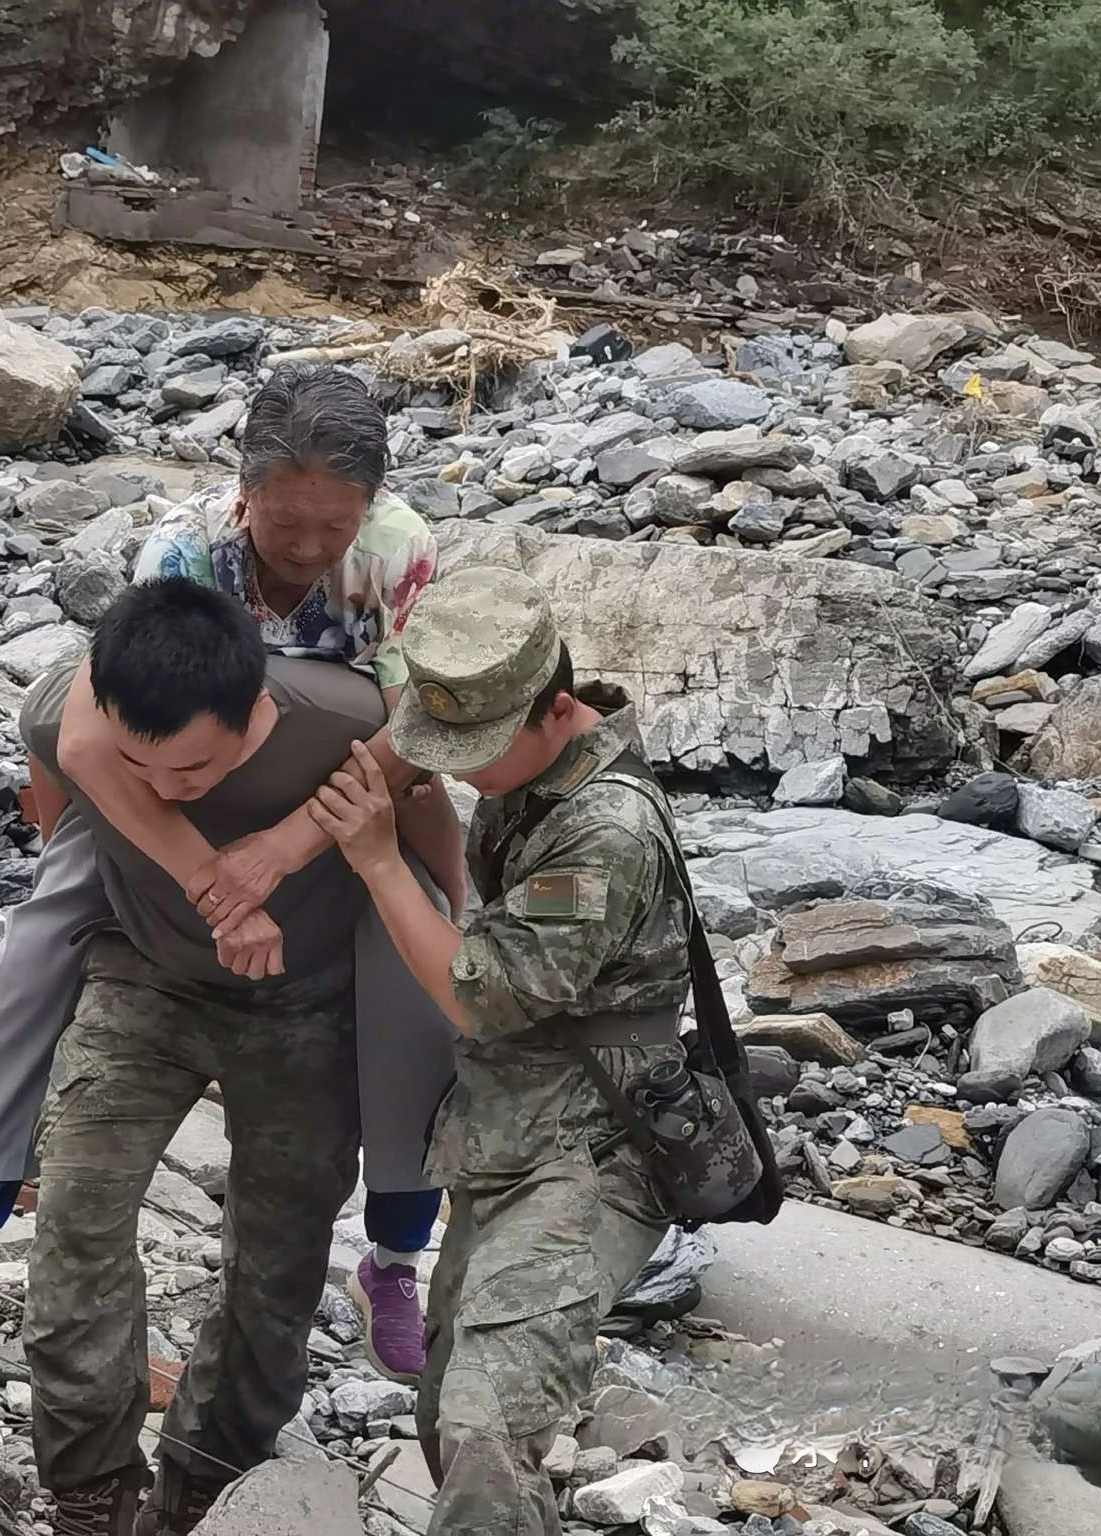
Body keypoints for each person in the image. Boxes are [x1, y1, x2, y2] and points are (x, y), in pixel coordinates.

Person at [0, 366, 460, 1383]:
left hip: (334, 783)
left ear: (368, 507)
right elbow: (87, 733)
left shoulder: (395, 554)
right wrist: (207, 880)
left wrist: (281, 850)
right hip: (167, 776)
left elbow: (414, 733)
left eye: (332, 526)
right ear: (245, 492)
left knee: (414, 972)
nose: (306, 548)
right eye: (284, 521)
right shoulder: (184, 551)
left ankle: (395, 1253)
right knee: (44, 925)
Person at [307, 565, 696, 1536]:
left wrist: (376, 860)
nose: (461, 773)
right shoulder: (539, 753)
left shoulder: (606, 831)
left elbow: (479, 995)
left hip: (593, 1151)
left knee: (486, 1424)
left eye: (476, 753)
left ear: (554, 708)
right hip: (509, 1131)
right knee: (448, 1405)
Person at [13, 577, 395, 1534]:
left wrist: (294, 848)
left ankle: (204, 1482)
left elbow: (430, 754)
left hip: (306, 1003)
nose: (161, 790)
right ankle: (91, 1488)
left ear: (254, 706)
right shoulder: (68, 712)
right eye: (136, 765)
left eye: (191, 770)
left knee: (280, 1260)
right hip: (142, 979)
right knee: (76, 1219)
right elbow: (62, 801)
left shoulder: (338, 716)